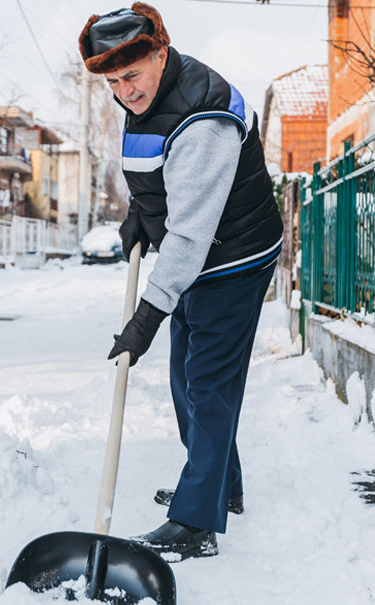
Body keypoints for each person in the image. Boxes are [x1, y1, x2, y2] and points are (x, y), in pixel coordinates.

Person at [77, 3, 283, 561]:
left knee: (209, 382)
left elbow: (191, 233)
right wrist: (141, 214)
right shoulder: (148, 95)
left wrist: (146, 318)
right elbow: (160, 173)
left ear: (161, 54)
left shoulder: (204, 113)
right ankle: (218, 486)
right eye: (113, 81)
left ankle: (196, 522)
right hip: (198, 251)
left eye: (132, 76)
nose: (125, 91)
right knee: (184, 374)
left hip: (234, 254)